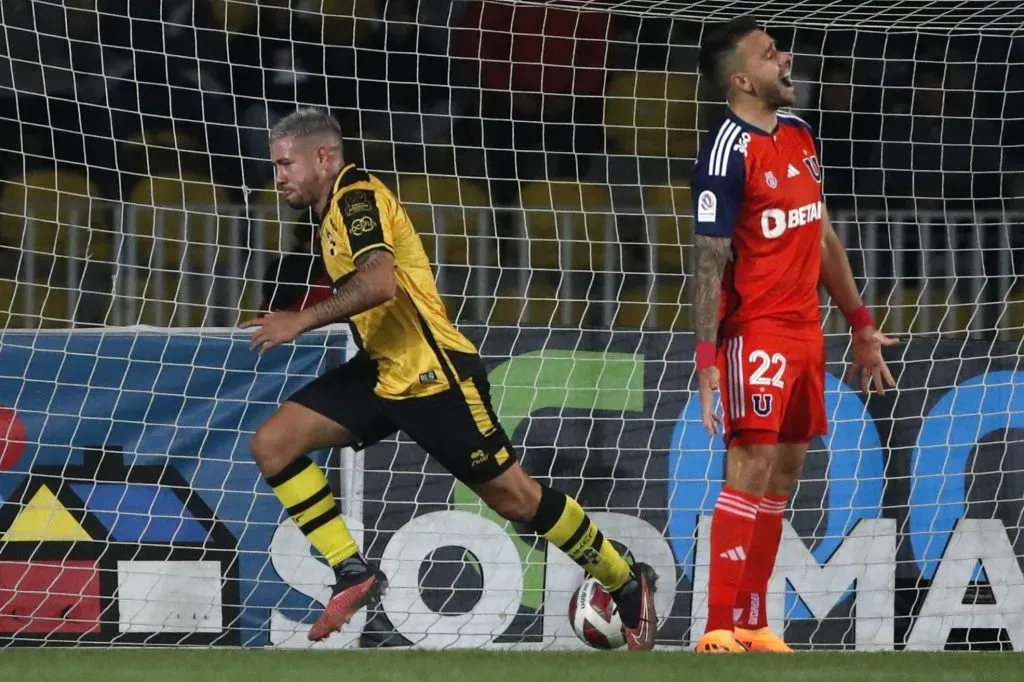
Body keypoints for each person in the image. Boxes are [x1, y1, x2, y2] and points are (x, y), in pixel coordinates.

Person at [241, 108, 657, 648]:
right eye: (275, 168)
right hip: (383, 369)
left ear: (324, 156)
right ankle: (351, 571)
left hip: (433, 373)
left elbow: (379, 284)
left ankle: (624, 578)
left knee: (516, 499)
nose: (279, 178)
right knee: (273, 444)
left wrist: (302, 317)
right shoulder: (327, 212)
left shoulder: (355, 198)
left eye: (285, 164)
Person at [689, 18, 897, 653]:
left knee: (785, 475)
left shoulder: (802, 134)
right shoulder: (725, 151)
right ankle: (717, 625)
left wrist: (859, 323)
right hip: (756, 331)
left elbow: (823, 234)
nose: (787, 59)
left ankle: (753, 624)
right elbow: (707, 260)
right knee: (748, 466)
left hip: (809, 331)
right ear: (743, 78)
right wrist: (706, 360)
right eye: (771, 52)